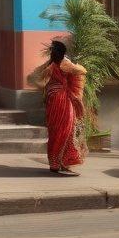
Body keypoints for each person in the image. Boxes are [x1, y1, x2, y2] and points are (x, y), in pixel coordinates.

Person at [30, 40, 88, 176]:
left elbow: (34, 78)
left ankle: (55, 163)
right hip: (63, 100)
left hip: (52, 99)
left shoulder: (50, 64)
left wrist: (49, 88)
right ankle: (61, 163)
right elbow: (82, 71)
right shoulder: (65, 63)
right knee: (65, 129)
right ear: (63, 53)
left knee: (55, 131)